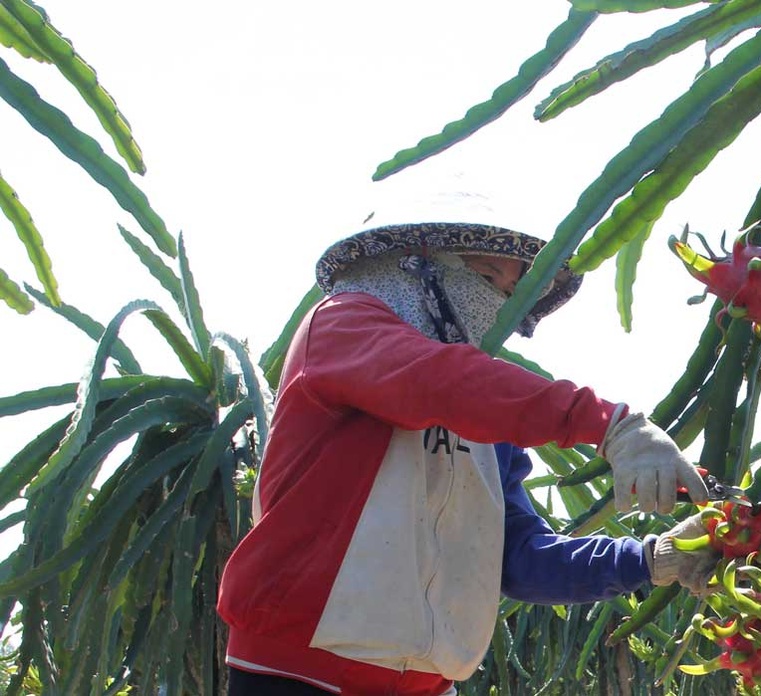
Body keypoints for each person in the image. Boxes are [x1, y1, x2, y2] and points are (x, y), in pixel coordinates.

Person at [217, 219, 721, 695]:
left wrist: (652, 560)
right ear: (415, 265)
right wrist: (607, 424)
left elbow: (521, 559)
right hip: (297, 671)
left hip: (426, 684)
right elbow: (436, 383)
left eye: (509, 292)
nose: (497, 304)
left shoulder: (490, 423)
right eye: (485, 275)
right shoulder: (342, 326)